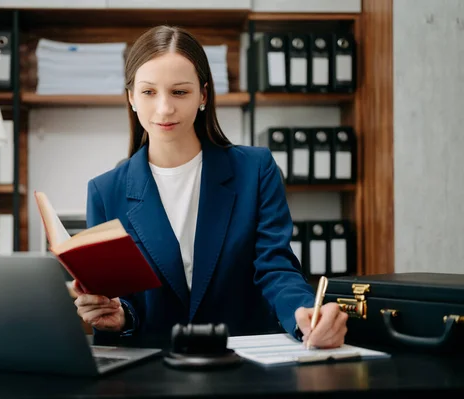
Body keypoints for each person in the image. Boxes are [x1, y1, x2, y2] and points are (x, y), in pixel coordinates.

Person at [72, 25, 348, 349]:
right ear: (131, 97)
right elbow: (121, 302)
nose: (164, 108)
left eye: (179, 92)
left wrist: (302, 312)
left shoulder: (255, 171)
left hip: (244, 366)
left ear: (203, 95)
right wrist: (119, 317)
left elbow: (275, 266)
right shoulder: (105, 193)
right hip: (154, 371)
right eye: (149, 92)